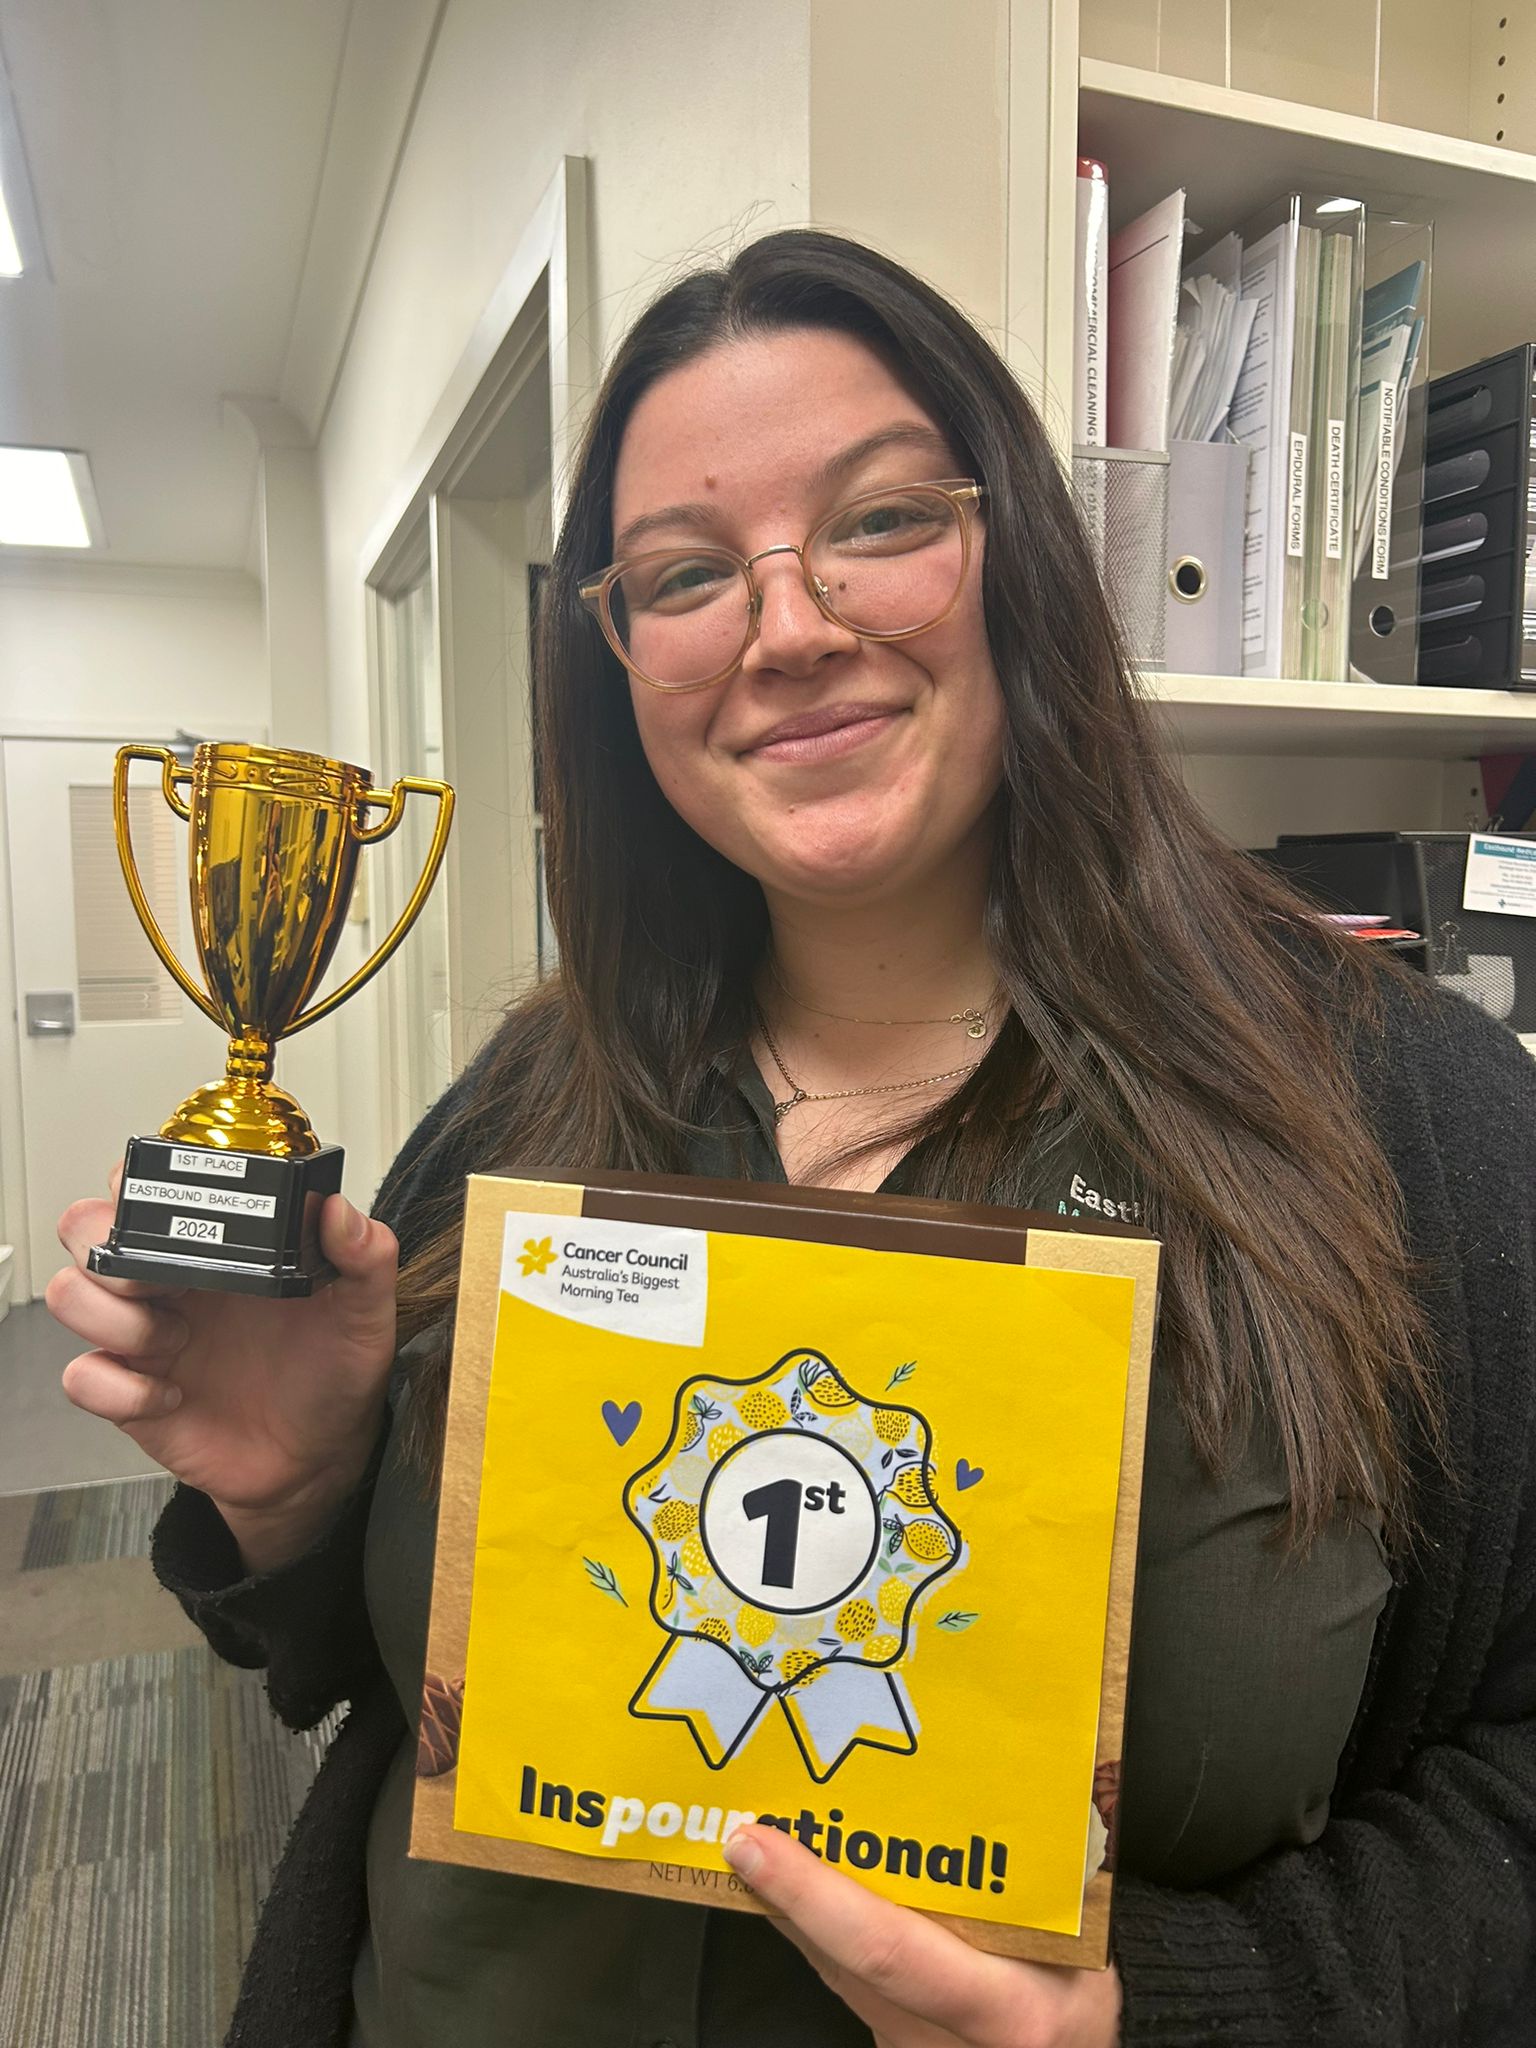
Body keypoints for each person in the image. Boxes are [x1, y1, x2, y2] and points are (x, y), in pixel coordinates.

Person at [48, 229, 1535, 2048]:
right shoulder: (527, 1104)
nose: (788, 626)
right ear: (614, 663)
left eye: (885, 521)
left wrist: (1174, 2013)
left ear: (1022, 562)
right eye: (682, 575)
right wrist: (303, 1493)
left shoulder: (1410, 1122)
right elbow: (380, 1688)